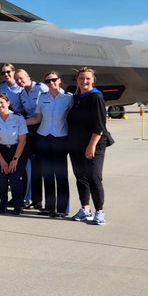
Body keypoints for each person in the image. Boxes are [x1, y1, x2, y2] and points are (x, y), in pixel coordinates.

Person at [26, 71, 73, 218]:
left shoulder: (68, 98)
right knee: (47, 174)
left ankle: (62, 208)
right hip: (43, 137)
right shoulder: (43, 98)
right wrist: (17, 122)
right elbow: (37, 118)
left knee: (61, 175)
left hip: (60, 138)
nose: (51, 83)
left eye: (53, 80)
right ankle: (50, 206)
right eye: (47, 81)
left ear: (59, 80)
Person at [67, 67, 108, 226]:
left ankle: (99, 211)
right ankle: (85, 209)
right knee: (81, 177)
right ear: (77, 80)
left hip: (93, 144)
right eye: (81, 79)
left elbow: (99, 126)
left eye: (87, 79)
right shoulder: (77, 98)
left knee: (93, 177)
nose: (84, 81)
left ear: (93, 80)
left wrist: (91, 146)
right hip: (76, 144)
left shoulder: (95, 97)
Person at [0, 93, 27, 215]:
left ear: (8, 103)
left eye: (2, 102)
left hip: (17, 151)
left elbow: (22, 140)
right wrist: (2, 161)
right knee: (1, 179)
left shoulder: (18, 118)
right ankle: (3, 204)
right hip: (1, 152)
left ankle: (18, 205)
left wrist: (15, 159)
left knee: (15, 178)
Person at [15, 68, 47, 210]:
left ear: (28, 76)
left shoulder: (41, 88)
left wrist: (18, 124)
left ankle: (40, 200)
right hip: (30, 129)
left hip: (43, 128)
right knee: (33, 166)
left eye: (21, 78)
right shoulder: (22, 93)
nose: (19, 81)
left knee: (40, 166)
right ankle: (35, 199)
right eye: (17, 80)